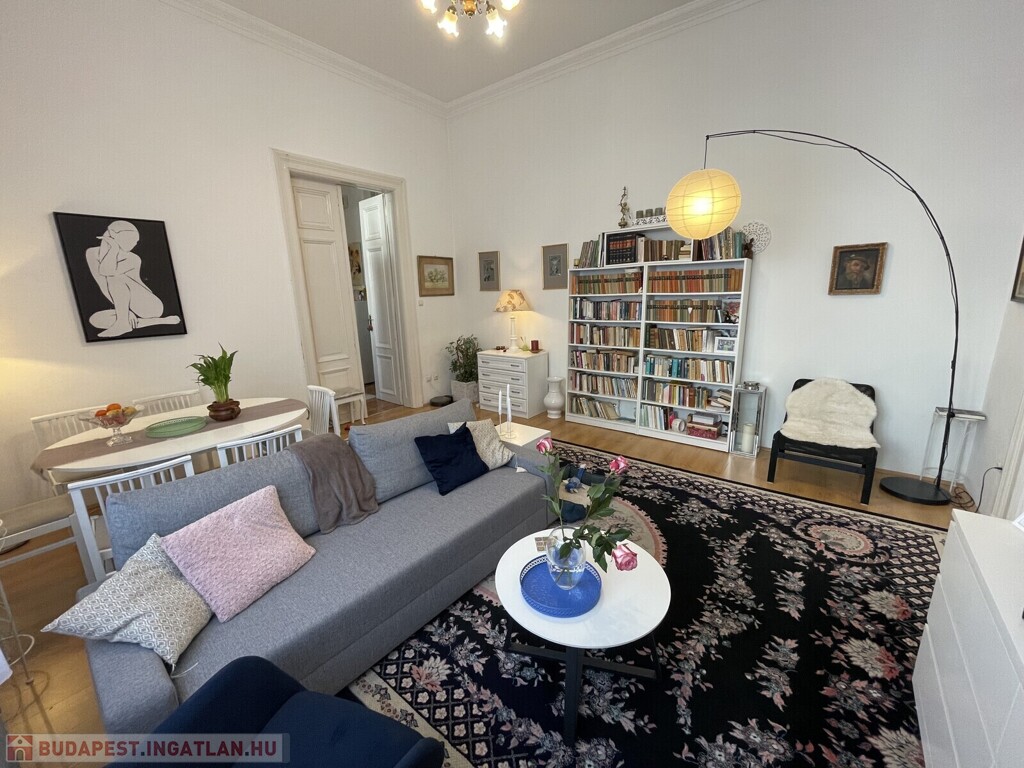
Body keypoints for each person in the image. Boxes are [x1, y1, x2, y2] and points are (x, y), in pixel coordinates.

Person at [85, 220, 181, 337]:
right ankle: (160, 321)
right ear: (114, 236)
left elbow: (108, 273)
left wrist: (114, 248)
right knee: (95, 320)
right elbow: (103, 284)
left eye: (136, 241)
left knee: (114, 276)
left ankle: (123, 322)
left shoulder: (133, 258)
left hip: (149, 305)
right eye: (131, 239)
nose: (135, 244)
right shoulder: (91, 253)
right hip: (127, 305)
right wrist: (126, 312)